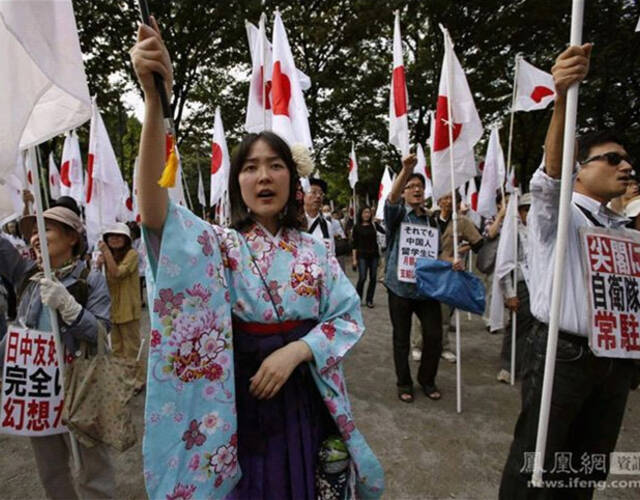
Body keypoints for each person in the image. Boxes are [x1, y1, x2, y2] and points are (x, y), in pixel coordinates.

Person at [131, 17, 383, 500]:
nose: (263, 176)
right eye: (250, 167)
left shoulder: (314, 247)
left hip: (302, 394)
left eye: (275, 165)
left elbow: (347, 316)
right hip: (240, 400)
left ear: (292, 179)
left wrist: (297, 350)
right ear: (238, 184)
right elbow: (155, 212)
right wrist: (151, 105)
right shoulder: (219, 243)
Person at [500, 43, 637, 498]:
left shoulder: (622, 229)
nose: (626, 165)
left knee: (584, 470)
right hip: (564, 356)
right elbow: (551, 175)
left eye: (627, 159)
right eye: (612, 159)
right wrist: (562, 99)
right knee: (535, 464)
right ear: (581, 171)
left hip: (615, 363)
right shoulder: (557, 214)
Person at [0, 198, 115, 499]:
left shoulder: (91, 280)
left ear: (72, 237)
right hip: (37, 392)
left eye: (44, 228)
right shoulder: (27, 277)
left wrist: (69, 307)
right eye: (32, 233)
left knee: (93, 473)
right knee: (51, 473)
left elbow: (101, 334)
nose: (35, 237)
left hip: (81, 390)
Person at [384, 153, 443, 403]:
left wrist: (452, 260)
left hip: (426, 289)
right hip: (399, 288)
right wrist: (406, 170)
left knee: (434, 336)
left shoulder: (431, 219)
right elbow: (391, 198)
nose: (416, 189)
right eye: (411, 186)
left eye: (419, 186)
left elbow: (439, 250)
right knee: (402, 338)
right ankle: (404, 383)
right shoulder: (397, 216)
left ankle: (427, 379)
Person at [432, 191, 483, 363]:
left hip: (448, 273)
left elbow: (478, 242)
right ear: (438, 201)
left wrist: (459, 252)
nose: (448, 201)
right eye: (445, 197)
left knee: (445, 313)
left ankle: (443, 347)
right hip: (428, 271)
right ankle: (419, 345)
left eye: (453, 199)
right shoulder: (428, 218)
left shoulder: (462, 222)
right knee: (424, 311)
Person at [495, 193, 534, 384]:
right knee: (517, 329)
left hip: (539, 288)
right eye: (527, 209)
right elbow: (505, 265)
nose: (531, 213)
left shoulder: (543, 232)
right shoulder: (514, 233)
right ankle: (507, 366)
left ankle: (527, 365)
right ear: (520, 212)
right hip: (521, 286)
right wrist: (509, 293)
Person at [97, 223, 142, 361]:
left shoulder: (132, 254)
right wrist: (99, 264)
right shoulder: (108, 256)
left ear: (126, 239)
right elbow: (98, 279)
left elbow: (117, 273)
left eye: (119, 236)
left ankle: (135, 380)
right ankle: (121, 379)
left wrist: (106, 252)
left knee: (131, 348)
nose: (114, 239)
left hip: (128, 309)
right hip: (113, 309)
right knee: (116, 348)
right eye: (111, 236)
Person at [351, 206, 379, 308]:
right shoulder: (357, 227)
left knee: (373, 278)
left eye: (368, 212)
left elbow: (385, 231)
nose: (367, 214)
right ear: (361, 214)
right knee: (362, 277)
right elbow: (354, 244)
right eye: (364, 212)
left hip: (374, 255)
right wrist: (354, 259)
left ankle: (369, 300)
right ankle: (358, 299)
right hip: (362, 255)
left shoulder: (374, 225)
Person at [304, 178, 335, 254]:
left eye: (321, 194)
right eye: (313, 192)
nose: (318, 196)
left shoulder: (327, 225)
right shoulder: (293, 222)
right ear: (303, 195)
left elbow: (331, 255)